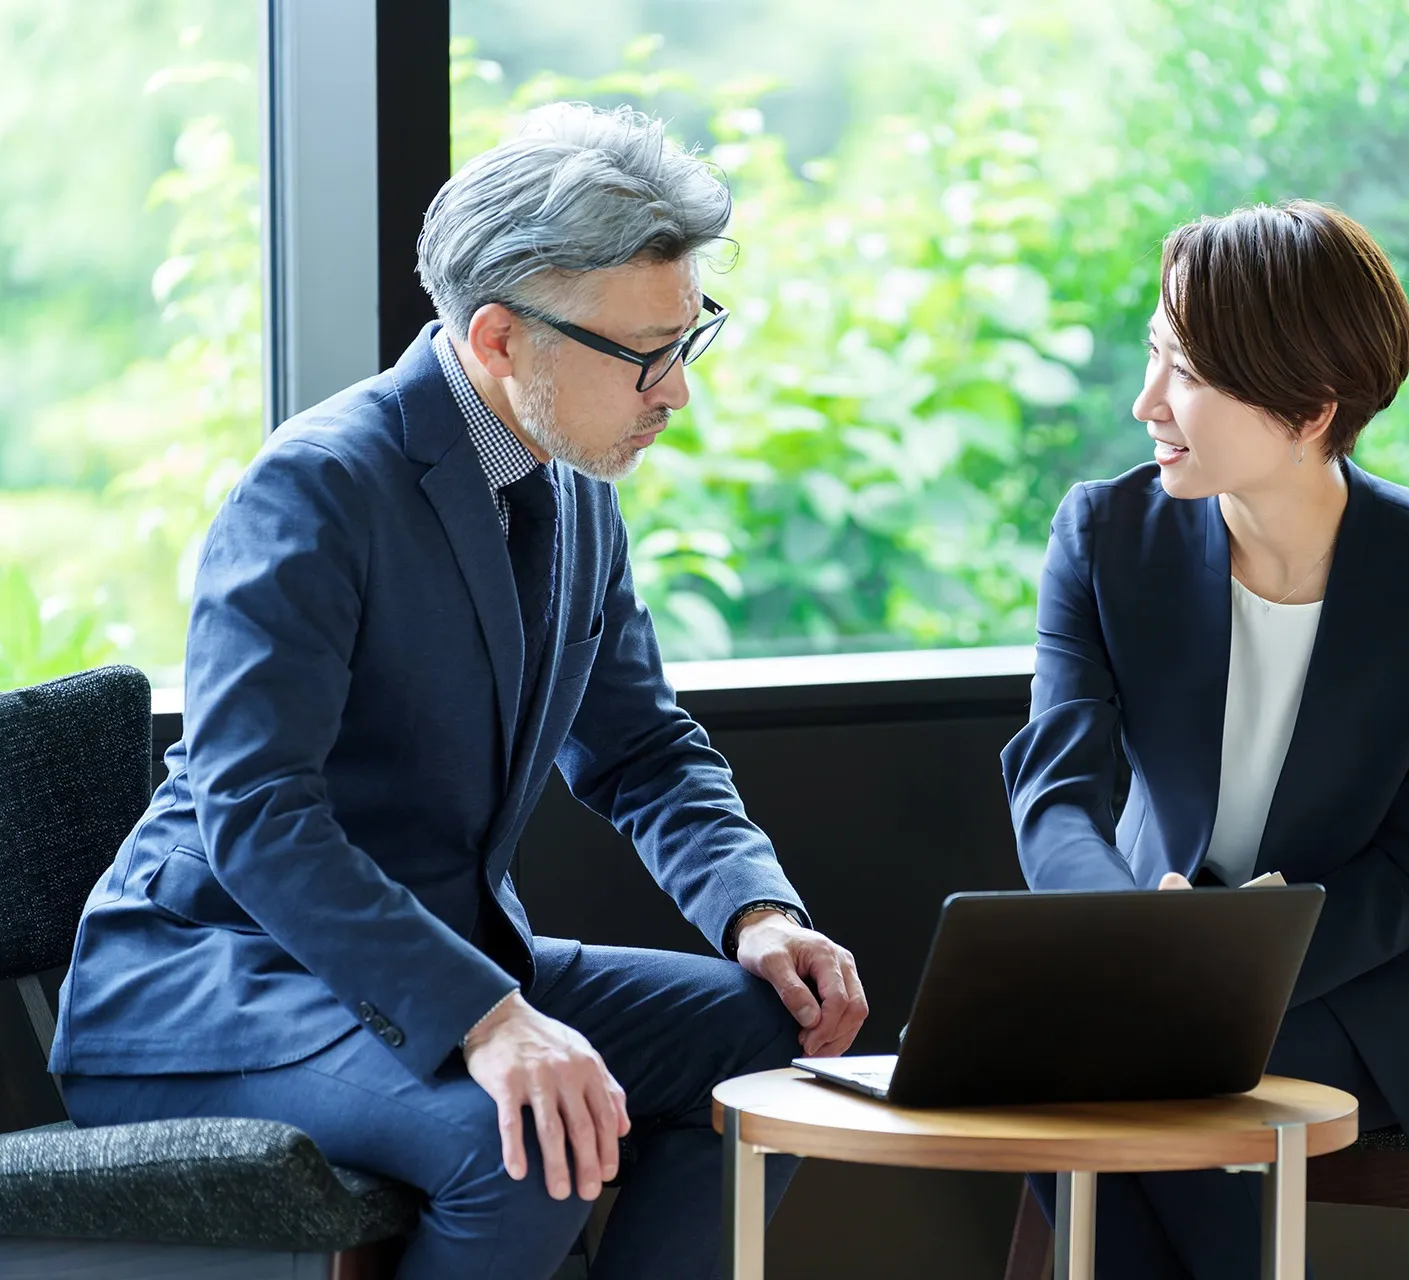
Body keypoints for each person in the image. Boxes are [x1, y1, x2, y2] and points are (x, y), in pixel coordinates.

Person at [48, 102, 868, 1279]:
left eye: (689, 340)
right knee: (527, 1140)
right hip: (219, 981)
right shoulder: (315, 486)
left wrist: (758, 913)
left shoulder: (576, 487)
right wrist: (488, 1016)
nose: (676, 393)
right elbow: (259, 814)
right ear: (498, 338)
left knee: (769, 1049)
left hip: (444, 953)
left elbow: (641, 746)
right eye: (647, 354)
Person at [1000, 200, 1409, 1279]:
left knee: (1146, 1077)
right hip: (1158, 972)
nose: (1146, 401)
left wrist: (1228, 975)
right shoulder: (1103, 536)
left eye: (1187, 373)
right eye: (1155, 354)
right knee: (1043, 1057)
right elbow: (1055, 790)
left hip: (1390, 979)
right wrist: (1142, 948)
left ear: (1308, 409)